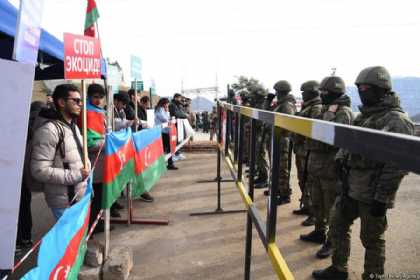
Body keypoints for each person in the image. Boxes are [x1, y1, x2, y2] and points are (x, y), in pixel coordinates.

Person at [313, 67, 415, 280]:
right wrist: (341, 165)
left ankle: (373, 276)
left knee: (372, 239)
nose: (361, 92)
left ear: (382, 89)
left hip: (372, 192)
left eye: (366, 88)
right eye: (359, 88)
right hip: (351, 187)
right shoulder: (365, 116)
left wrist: (382, 198)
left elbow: (395, 165)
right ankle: (338, 269)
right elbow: (349, 144)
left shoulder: (396, 120)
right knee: (337, 226)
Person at [300, 75, 353, 259]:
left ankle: (331, 242)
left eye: (324, 92)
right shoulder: (324, 108)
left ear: (334, 93)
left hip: (330, 169)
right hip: (316, 165)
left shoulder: (343, 112)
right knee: (317, 204)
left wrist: (329, 116)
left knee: (332, 209)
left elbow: (331, 139)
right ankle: (319, 232)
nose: (321, 95)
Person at [30, 84, 90, 221]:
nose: (80, 104)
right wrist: (76, 175)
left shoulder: (73, 126)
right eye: (75, 101)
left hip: (79, 195)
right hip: (64, 201)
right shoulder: (49, 130)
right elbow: (39, 170)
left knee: (80, 241)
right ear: (62, 102)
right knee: (70, 242)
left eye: (81, 101)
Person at [17, 101, 47, 252]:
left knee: (15, 207)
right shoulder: (34, 124)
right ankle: (26, 238)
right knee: (24, 205)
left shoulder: (22, 123)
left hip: (13, 171)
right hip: (24, 172)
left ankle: (16, 242)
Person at [292, 81, 323, 227]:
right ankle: (306, 205)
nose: (303, 95)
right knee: (303, 180)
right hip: (302, 149)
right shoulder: (308, 107)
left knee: (310, 183)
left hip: (308, 150)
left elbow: (313, 130)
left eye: (305, 92)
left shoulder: (316, 108)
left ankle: (313, 212)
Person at [265, 80, 296, 204]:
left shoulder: (287, 105)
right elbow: (266, 114)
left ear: (281, 91)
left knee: (282, 168)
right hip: (276, 137)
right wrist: (268, 101)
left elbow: (287, 124)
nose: (276, 93)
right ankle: (277, 189)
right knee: (275, 166)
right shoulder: (279, 104)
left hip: (283, 139)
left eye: (277, 91)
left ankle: (284, 194)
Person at [155, 98, 178, 170]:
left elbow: (167, 118)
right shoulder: (160, 109)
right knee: (166, 148)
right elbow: (164, 118)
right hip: (162, 131)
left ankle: (170, 163)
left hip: (165, 131)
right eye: (167, 104)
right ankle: (168, 164)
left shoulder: (162, 109)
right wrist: (167, 111)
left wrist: (167, 112)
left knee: (167, 148)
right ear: (164, 103)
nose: (168, 105)